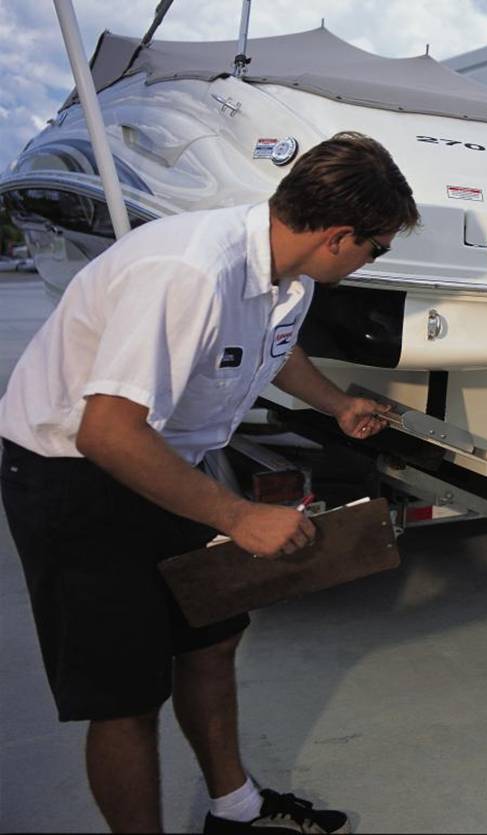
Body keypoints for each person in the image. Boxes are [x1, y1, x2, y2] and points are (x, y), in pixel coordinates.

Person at [0, 131, 419, 834]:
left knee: (208, 637)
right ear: (342, 236)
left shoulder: (289, 275)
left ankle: (235, 809)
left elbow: (275, 352)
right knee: (127, 695)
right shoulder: (191, 269)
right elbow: (107, 431)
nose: (375, 259)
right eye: (378, 248)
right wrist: (239, 515)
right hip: (73, 474)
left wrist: (338, 403)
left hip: (166, 462)